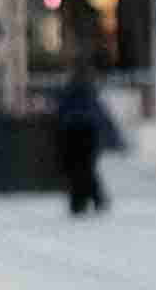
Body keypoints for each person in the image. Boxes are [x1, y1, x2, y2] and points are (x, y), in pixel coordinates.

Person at [51, 65, 121, 216]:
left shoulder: (70, 93)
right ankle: (89, 200)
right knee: (85, 169)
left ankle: (81, 202)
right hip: (86, 133)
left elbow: (61, 112)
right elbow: (100, 115)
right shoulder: (89, 94)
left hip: (73, 133)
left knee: (78, 170)